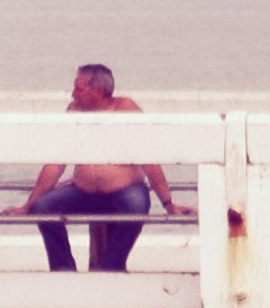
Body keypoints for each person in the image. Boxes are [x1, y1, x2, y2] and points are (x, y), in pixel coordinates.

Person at [19, 62, 167, 273]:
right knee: (44, 208)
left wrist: (168, 203)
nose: (73, 94)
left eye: (79, 88)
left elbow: (149, 161)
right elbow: (56, 162)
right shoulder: (73, 111)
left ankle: (110, 267)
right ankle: (63, 269)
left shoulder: (125, 109)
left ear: (98, 90)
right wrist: (28, 205)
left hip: (125, 190)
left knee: (136, 208)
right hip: (83, 191)